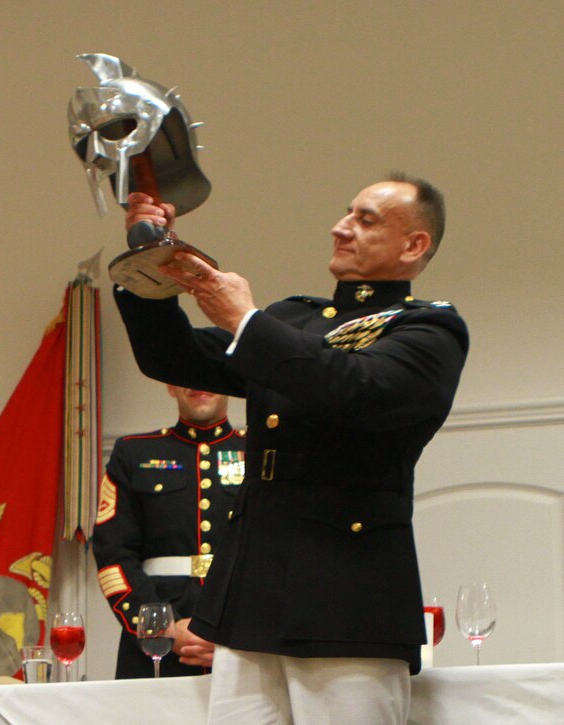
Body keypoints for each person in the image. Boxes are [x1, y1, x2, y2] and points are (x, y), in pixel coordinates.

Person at [114, 174, 468, 723]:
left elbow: (355, 389)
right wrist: (148, 259)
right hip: (250, 597)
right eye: (347, 212)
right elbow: (172, 356)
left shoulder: (428, 330)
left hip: (347, 600)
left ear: (414, 245)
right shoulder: (293, 319)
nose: (340, 227)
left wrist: (245, 322)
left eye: (366, 219)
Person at [92, 385, 245, 678]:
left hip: (241, 649)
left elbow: (276, 555)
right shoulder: (134, 452)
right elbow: (113, 552)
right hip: (153, 649)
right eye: (187, 375)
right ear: (171, 386)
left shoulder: (259, 453)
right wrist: (161, 626)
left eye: (209, 374)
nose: (199, 384)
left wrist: (238, 632)